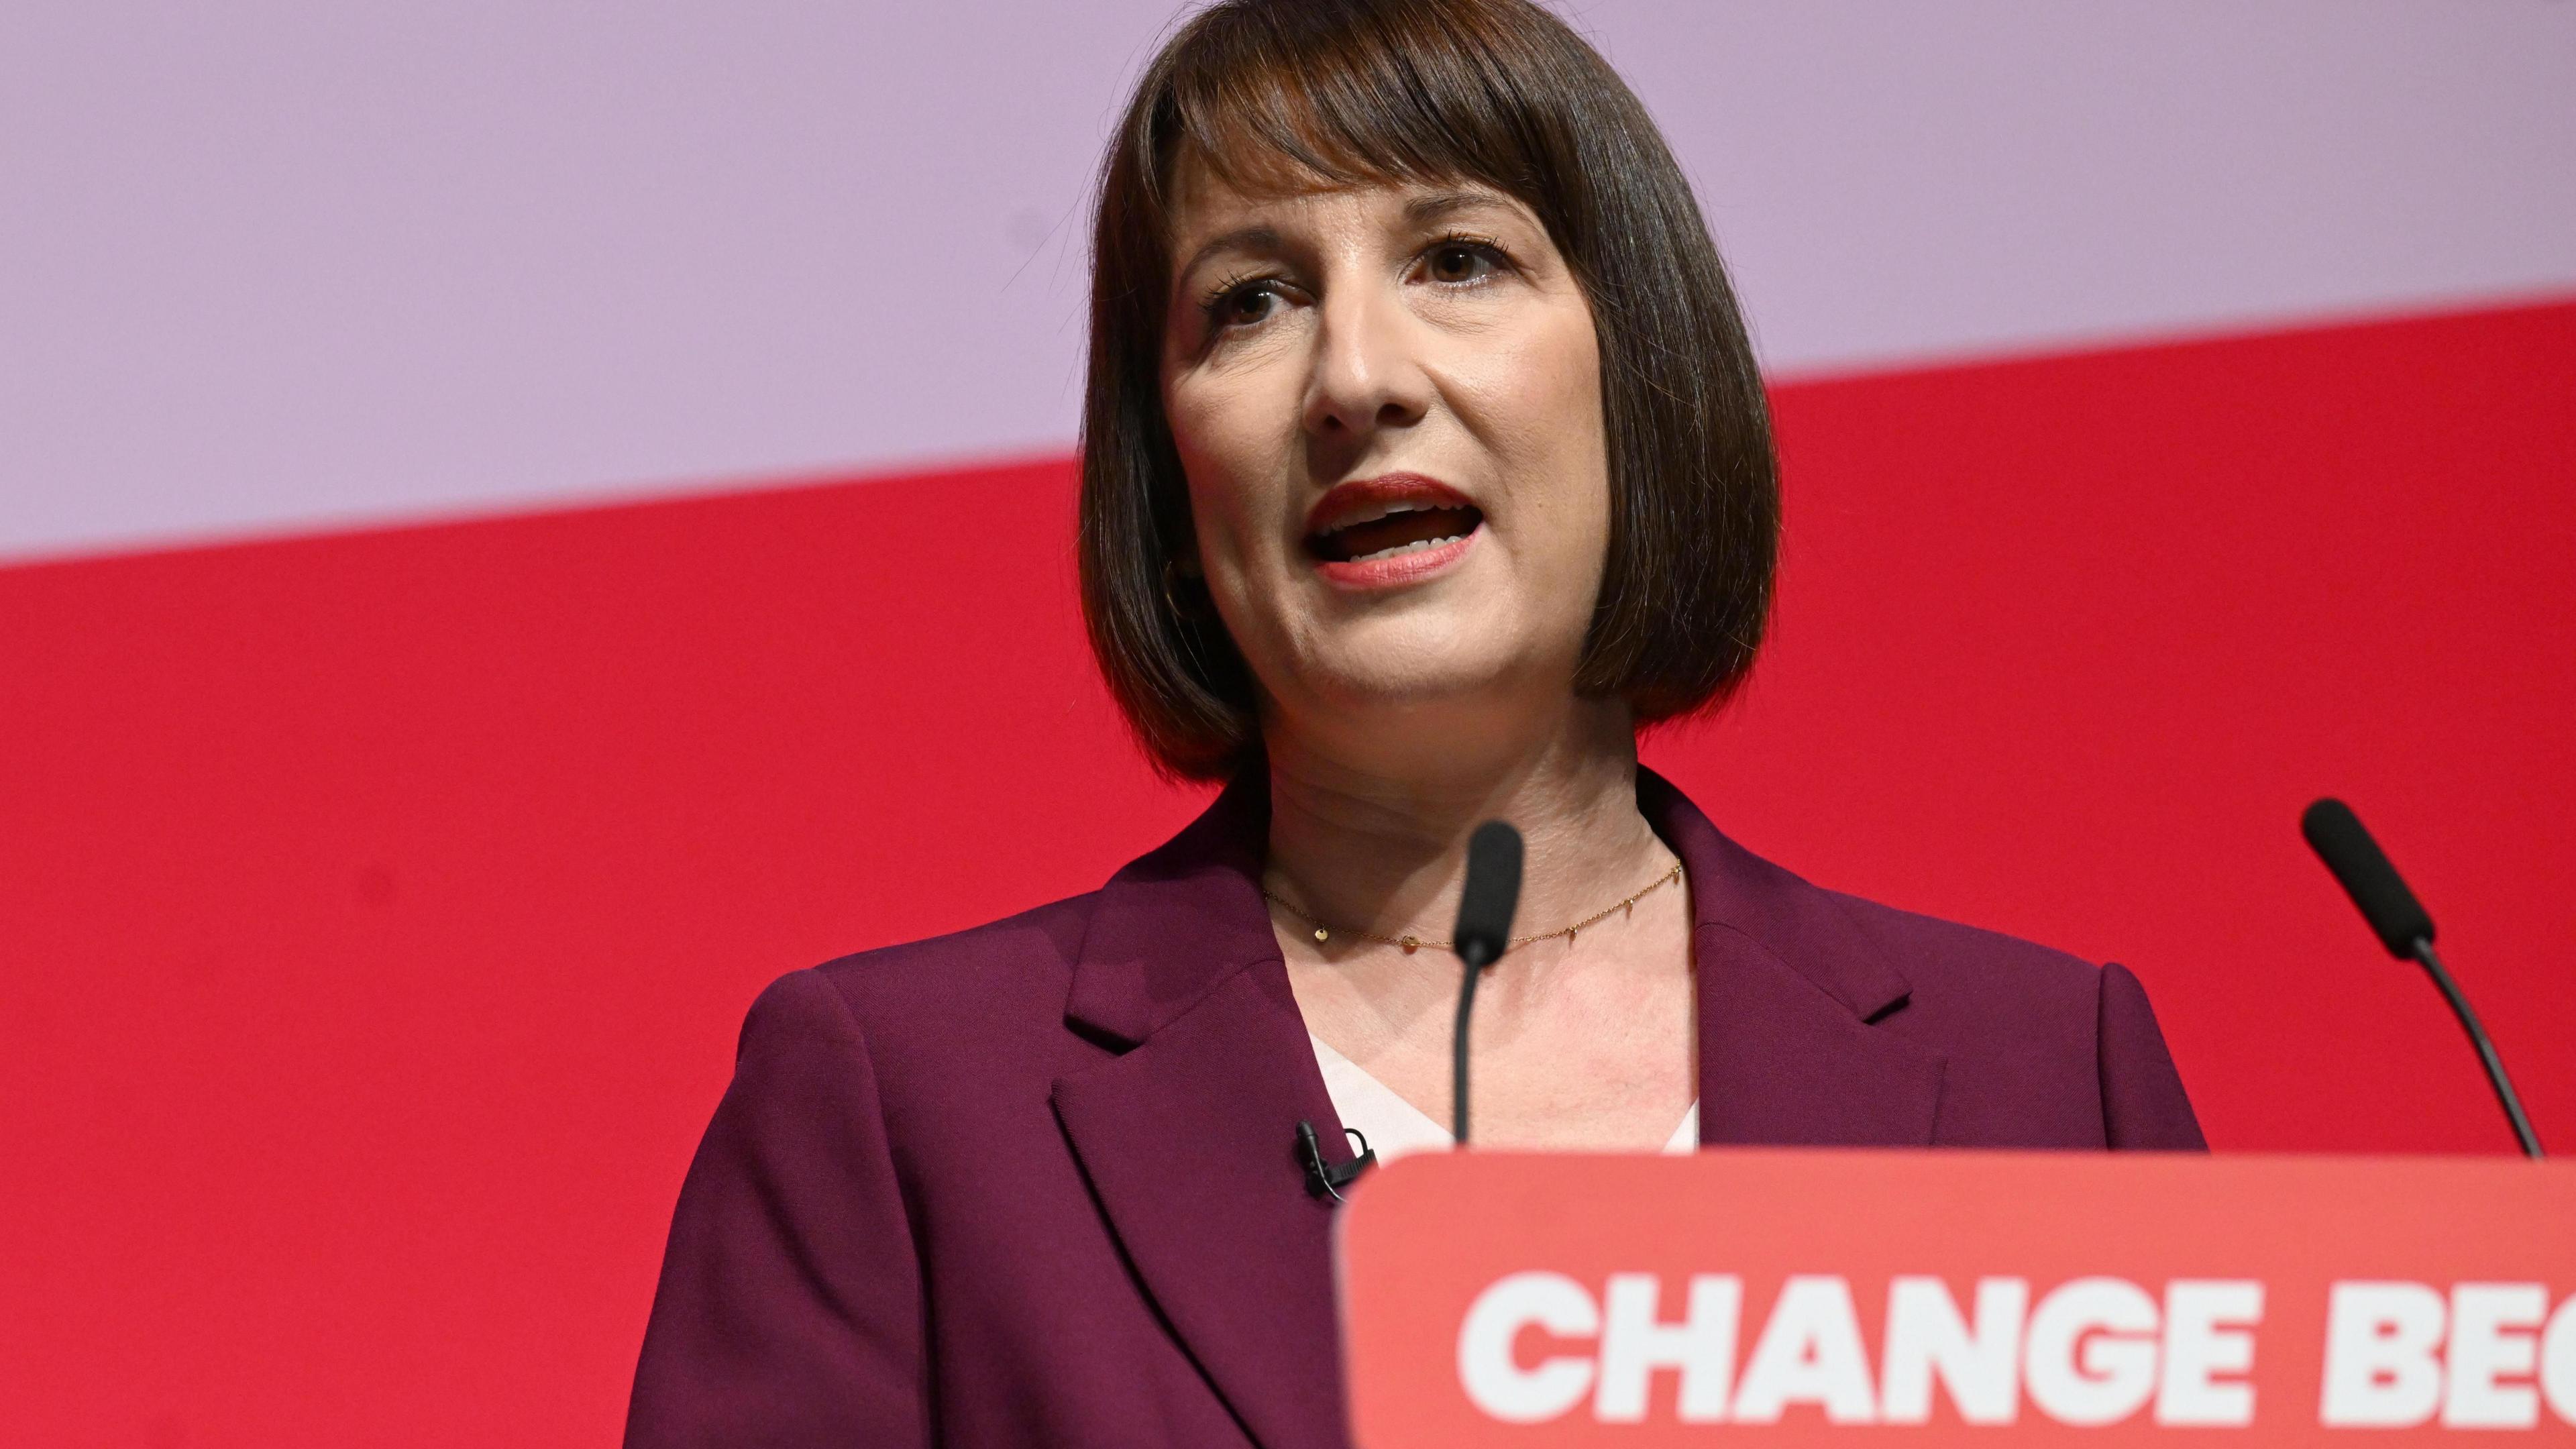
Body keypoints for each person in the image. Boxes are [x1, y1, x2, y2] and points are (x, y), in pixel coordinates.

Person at [623, 0, 2204, 1443]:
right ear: (1172, 487)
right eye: (1249, 302)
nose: (1354, 377)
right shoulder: (910, 1114)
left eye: (1457, 259)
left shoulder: (2045, 1081)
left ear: (1637, 379)